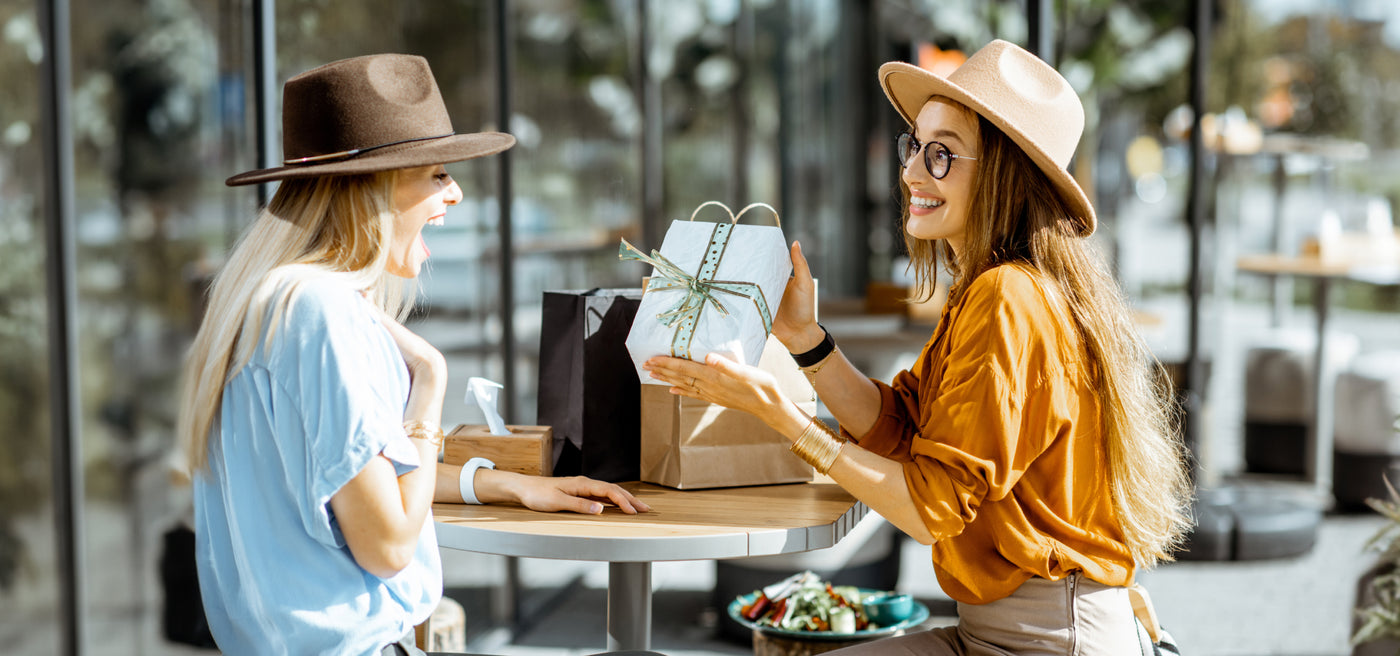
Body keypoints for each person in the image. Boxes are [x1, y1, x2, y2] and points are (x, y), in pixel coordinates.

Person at [644, 40, 1191, 654]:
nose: (909, 173)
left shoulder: (1008, 297)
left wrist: (783, 416)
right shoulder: (995, 288)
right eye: (914, 146)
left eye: (941, 155)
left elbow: (929, 509)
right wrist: (805, 339)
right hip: (1017, 630)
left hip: (1047, 640)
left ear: (1004, 173)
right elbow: (901, 427)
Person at [176, 54, 649, 656]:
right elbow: (390, 543)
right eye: (435, 174)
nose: (454, 193)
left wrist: (506, 486)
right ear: (369, 187)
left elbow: (356, 488)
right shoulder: (322, 314)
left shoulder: (266, 302)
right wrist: (430, 382)